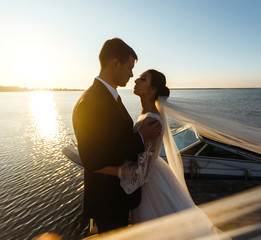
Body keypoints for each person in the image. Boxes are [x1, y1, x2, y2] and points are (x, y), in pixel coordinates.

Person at [72, 38, 161, 233]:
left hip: (116, 199)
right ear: (115, 64)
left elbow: (112, 140)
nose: (131, 75)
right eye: (129, 68)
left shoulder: (109, 96)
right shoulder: (91, 102)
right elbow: (92, 158)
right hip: (108, 202)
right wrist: (140, 138)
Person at [118, 69, 195, 222]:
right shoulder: (147, 114)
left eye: (143, 79)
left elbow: (142, 173)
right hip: (154, 173)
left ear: (153, 89)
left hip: (150, 185)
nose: (136, 80)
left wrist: (109, 170)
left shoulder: (152, 120)